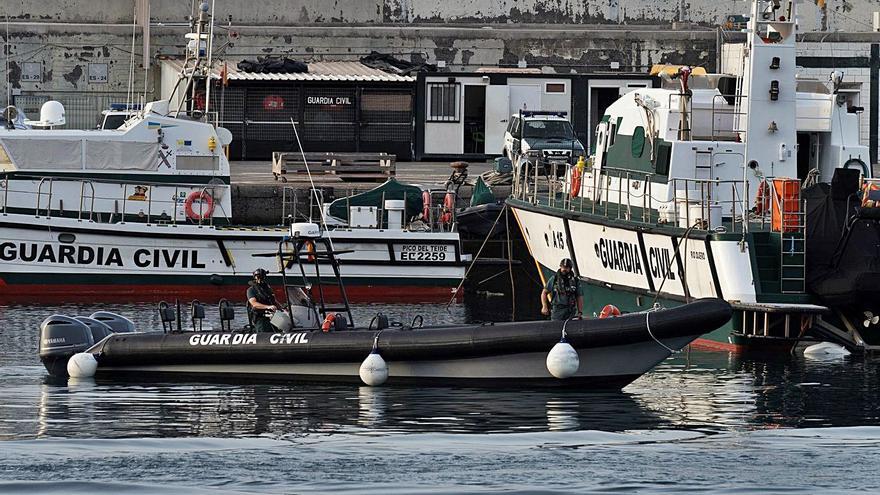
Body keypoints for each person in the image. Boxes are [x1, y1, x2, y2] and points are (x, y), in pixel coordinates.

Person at [247, 268, 279, 333]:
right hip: (260, 318)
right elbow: (254, 304)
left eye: (262, 276)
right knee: (263, 331)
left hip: (272, 317)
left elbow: (274, 301)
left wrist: (283, 309)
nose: (260, 279)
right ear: (255, 277)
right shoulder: (251, 290)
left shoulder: (267, 289)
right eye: (258, 277)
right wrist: (268, 307)